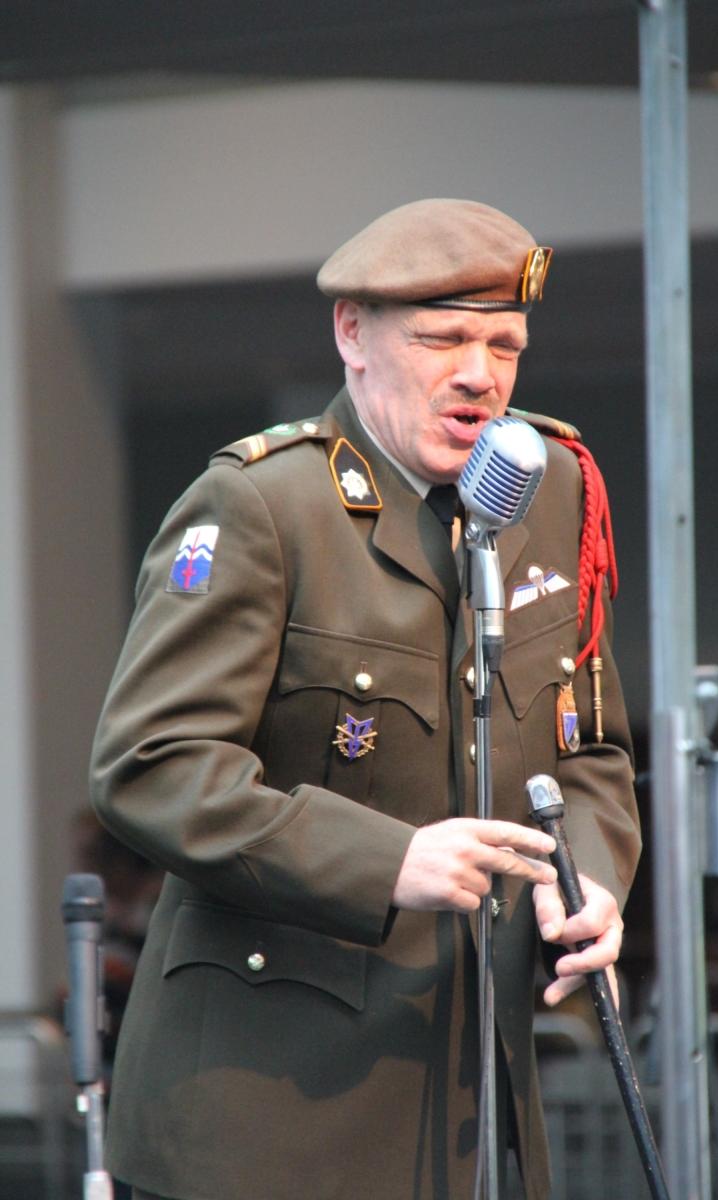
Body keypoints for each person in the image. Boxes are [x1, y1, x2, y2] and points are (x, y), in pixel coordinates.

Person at [90, 198, 641, 1200]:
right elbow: (152, 766)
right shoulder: (263, 504)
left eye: (504, 346)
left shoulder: (553, 488)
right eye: (442, 339)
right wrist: (388, 860)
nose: (479, 373)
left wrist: (590, 881)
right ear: (352, 333)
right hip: (266, 1120)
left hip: (472, 1108)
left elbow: (590, 748)